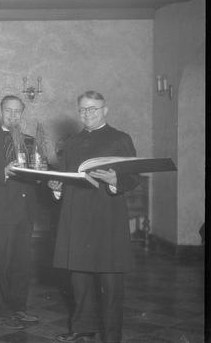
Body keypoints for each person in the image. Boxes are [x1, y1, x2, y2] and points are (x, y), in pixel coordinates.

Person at [49, 91, 139, 343]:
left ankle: (112, 337)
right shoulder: (73, 141)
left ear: (105, 110)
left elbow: (135, 178)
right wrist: (56, 188)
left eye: (93, 109)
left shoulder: (121, 138)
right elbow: (67, 177)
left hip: (107, 219)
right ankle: (81, 328)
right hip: (76, 219)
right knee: (79, 281)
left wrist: (115, 180)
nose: (88, 114)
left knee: (110, 285)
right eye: (83, 110)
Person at [0, 95, 39, 329]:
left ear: (22, 114)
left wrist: (47, 178)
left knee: (21, 264)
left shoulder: (30, 141)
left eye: (17, 112)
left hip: (24, 213)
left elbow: (38, 174)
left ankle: (19, 308)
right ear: (1, 112)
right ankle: (1, 311)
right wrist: (3, 172)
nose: (13, 115)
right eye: (8, 111)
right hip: (1, 213)